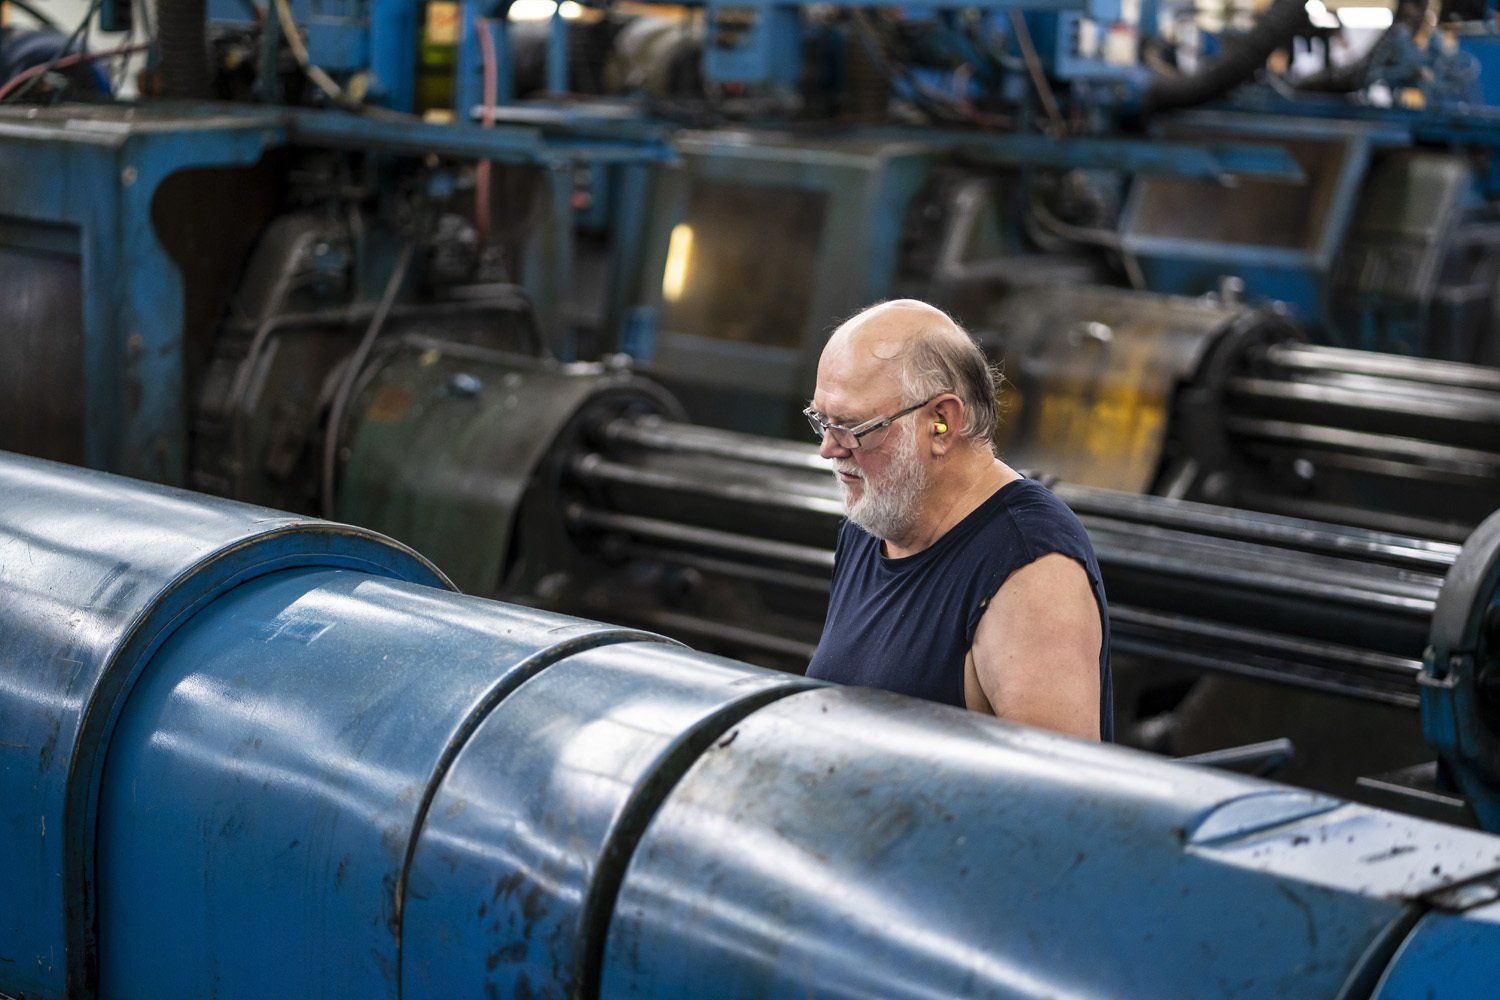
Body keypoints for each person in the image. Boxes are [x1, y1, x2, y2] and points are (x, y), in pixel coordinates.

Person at [804, 300, 1112, 741]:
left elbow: (1058, 798)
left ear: (942, 422)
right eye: (822, 421)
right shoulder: (872, 524)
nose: (829, 449)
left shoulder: (1030, 567)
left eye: (852, 427)